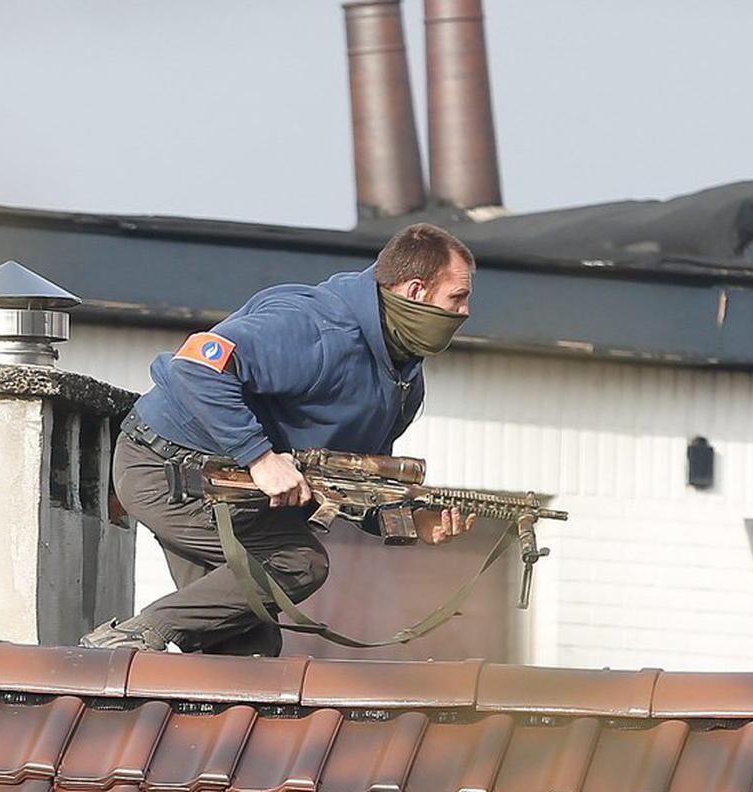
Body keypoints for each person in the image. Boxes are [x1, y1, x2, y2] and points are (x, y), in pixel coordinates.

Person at [81, 222, 478, 655]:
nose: (465, 312)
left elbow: (350, 483)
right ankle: (129, 639)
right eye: (457, 297)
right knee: (298, 563)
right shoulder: (316, 326)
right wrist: (260, 457)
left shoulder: (401, 376)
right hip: (168, 471)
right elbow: (195, 364)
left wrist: (410, 522)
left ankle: (159, 666)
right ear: (417, 291)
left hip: (231, 492)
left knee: (248, 653)